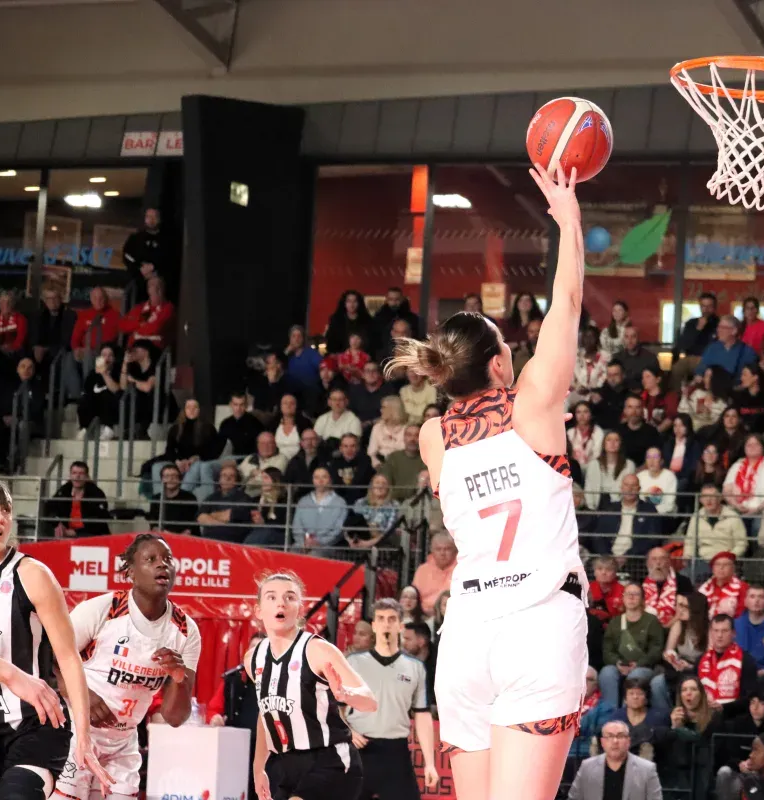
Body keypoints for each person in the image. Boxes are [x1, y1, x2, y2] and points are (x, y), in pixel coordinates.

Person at [387, 163, 587, 800]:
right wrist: (569, 219)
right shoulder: (531, 406)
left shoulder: (432, 437)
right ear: (502, 362)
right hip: (536, 622)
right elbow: (569, 306)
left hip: (467, 634)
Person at [0, 458, 112, 800]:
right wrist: (13, 675)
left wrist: (85, 736)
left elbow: (69, 658)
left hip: (35, 727)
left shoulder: (33, 574)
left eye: (5, 509)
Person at [53, 534, 201, 800]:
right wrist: (81, 695)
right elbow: (50, 659)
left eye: (168, 559)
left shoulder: (186, 630)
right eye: (151, 559)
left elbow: (174, 718)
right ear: (131, 572)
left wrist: (179, 679)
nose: (162, 565)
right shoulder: (102, 609)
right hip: (77, 730)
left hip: (124, 742)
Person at [247, 572, 376, 800]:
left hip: (331, 760)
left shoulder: (317, 650)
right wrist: (259, 767)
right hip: (289, 765)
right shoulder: (253, 658)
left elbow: (370, 701)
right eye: (271, 597)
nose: (281, 603)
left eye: (289, 597)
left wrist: (346, 694)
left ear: (300, 608)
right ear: (258, 610)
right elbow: (266, 714)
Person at [345, 599, 438, 799]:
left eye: (392, 619)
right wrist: (347, 731)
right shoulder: (353, 663)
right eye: (381, 619)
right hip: (358, 749)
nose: (386, 624)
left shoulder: (415, 667)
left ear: (400, 625)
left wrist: (430, 763)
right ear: (374, 625)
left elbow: (422, 715)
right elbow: (332, 706)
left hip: (396, 752)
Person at [566, 719, 662, 800]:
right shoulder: (587, 767)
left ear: (628, 741)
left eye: (620, 736)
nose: (615, 741)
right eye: (610, 736)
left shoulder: (647, 769)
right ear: (602, 742)